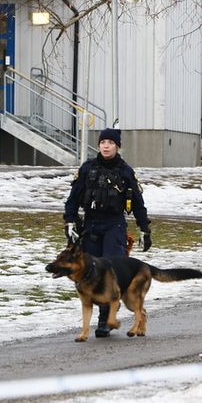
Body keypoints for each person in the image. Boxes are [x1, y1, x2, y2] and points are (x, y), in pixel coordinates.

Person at [63, 128, 151, 338]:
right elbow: (73, 199)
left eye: (111, 142)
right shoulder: (87, 169)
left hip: (114, 225)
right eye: (103, 142)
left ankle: (105, 321)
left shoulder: (125, 171)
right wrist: (69, 221)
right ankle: (98, 315)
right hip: (91, 224)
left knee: (110, 272)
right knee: (91, 271)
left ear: (117, 146)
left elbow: (138, 204)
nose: (106, 145)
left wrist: (144, 228)